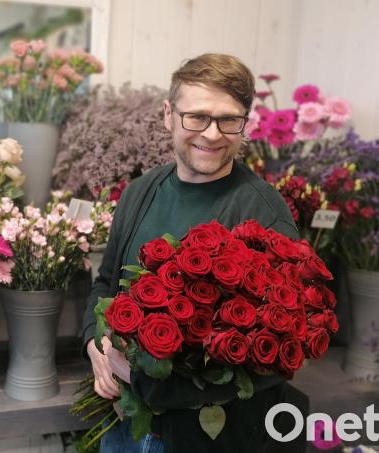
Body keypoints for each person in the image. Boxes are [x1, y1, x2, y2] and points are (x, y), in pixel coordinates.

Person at [80, 53, 309, 453]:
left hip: (209, 440)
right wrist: (97, 348)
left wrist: (147, 382)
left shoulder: (262, 213)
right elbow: (105, 284)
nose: (213, 133)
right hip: (126, 427)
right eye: (197, 116)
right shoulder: (140, 192)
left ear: (245, 123)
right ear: (168, 114)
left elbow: (282, 351)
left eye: (228, 120)